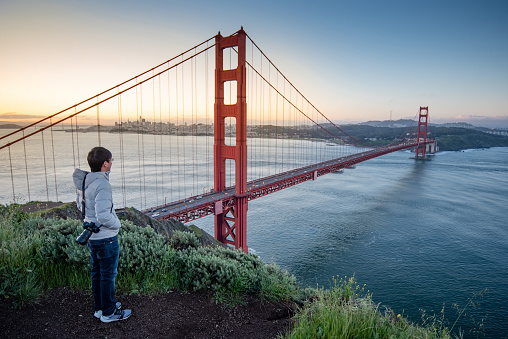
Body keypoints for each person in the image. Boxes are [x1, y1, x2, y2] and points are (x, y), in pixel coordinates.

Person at [72, 146, 132, 323]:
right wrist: (117, 225)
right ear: (105, 164)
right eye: (111, 160)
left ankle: (100, 308)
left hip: (92, 237)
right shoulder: (103, 184)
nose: (112, 163)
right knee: (108, 276)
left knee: (97, 273)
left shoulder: (85, 182)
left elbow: (80, 206)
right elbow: (104, 215)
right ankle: (109, 312)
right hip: (106, 238)